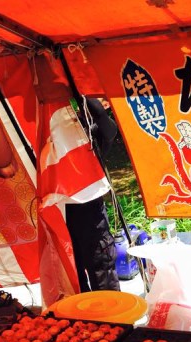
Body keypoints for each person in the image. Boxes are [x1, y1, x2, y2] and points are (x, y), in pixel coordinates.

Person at [65, 98, 121, 292]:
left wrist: (82, 94)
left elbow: (101, 117)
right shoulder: (62, 123)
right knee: (71, 268)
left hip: (88, 206)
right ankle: (80, 315)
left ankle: (111, 314)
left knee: (100, 263)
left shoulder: (97, 129)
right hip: (60, 207)